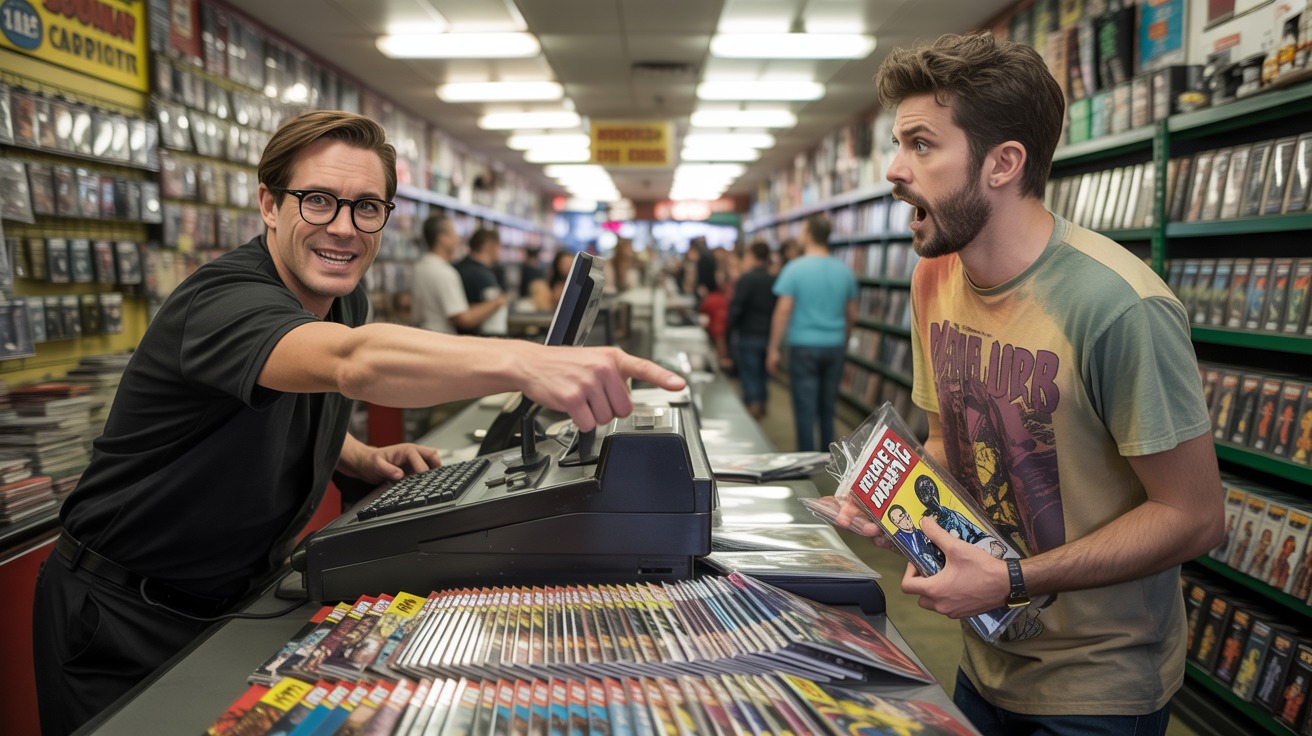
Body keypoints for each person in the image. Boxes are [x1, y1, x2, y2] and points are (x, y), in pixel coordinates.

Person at [30, 110, 685, 736]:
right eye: (318, 200)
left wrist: (353, 455)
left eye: (366, 207)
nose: (343, 227)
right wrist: (529, 363)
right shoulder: (222, 300)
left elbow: (271, 398)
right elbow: (351, 363)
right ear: (269, 205)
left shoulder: (343, 295)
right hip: (121, 614)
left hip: (229, 598)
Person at [831, 31, 1223, 735]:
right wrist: (901, 508)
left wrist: (1014, 580)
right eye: (898, 143)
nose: (894, 168)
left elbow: (1194, 516)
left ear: (1003, 163)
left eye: (921, 144)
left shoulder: (1119, 307)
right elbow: (948, 440)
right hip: (985, 652)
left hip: (1101, 685)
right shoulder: (934, 275)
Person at [766, 213, 858, 452]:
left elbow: (782, 312)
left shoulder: (794, 269)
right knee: (828, 408)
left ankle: (807, 462)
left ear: (807, 234)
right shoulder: (844, 271)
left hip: (803, 346)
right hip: (834, 345)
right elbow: (852, 315)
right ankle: (830, 460)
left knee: (804, 409)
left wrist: (773, 349)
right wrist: (844, 341)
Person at [412, 214, 506, 334]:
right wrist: (497, 302)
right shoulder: (444, 272)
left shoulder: (420, 267)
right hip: (441, 339)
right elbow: (463, 319)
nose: (458, 238)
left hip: (421, 335)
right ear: (442, 238)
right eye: (454, 233)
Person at [727, 240, 776, 418]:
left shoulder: (746, 279)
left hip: (748, 335)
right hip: (768, 336)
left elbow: (736, 309)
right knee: (762, 377)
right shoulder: (774, 279)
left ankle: (753, 419)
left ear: (753, 256)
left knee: (749, 377)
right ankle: (762, 410)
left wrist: (729, 332)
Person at [454, 227, 510, 335]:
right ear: (489, 246)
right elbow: (494, 321)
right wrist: (499, 301)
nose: (500, 251)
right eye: (499, 246)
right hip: (476, 339)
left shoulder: (456, 267)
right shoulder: (483, 275)